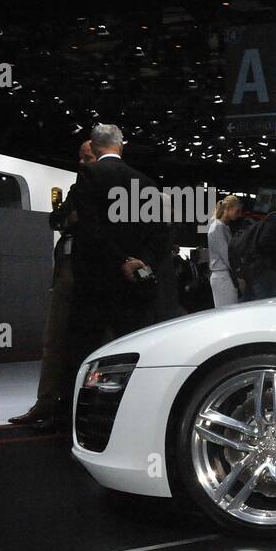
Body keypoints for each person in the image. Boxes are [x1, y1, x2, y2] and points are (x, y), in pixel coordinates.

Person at [66, 123, 172, 388]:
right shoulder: (145, 181)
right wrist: (139, 262)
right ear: (121, 145)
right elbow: (160, 233)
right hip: (133, 284)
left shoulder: (89, 174)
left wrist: (118, 260)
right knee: (131, 349)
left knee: (84, 350)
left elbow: (91, 230)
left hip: (95, 282)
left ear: (93, 145)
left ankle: (74, 412)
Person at [8, 140, 95, 428]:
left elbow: (72, 221)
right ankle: (47, 404)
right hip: (68, 271)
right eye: (80, 158)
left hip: (92, 275)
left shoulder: (106, 189)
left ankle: (73, 409)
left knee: (84, 344)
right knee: (54, 340)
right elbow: (57, 219)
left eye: (85, 158)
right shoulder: (78, 186)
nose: (80, 163)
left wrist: (71, 220)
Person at [207, 195, 244, 307]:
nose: (239, 214)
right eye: (237, 211)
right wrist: (239, 273)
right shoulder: (218, 227)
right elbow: (227, 255)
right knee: (227, 313)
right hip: (222, 276)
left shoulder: (222, 226)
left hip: (224, 275)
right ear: (228, 208)